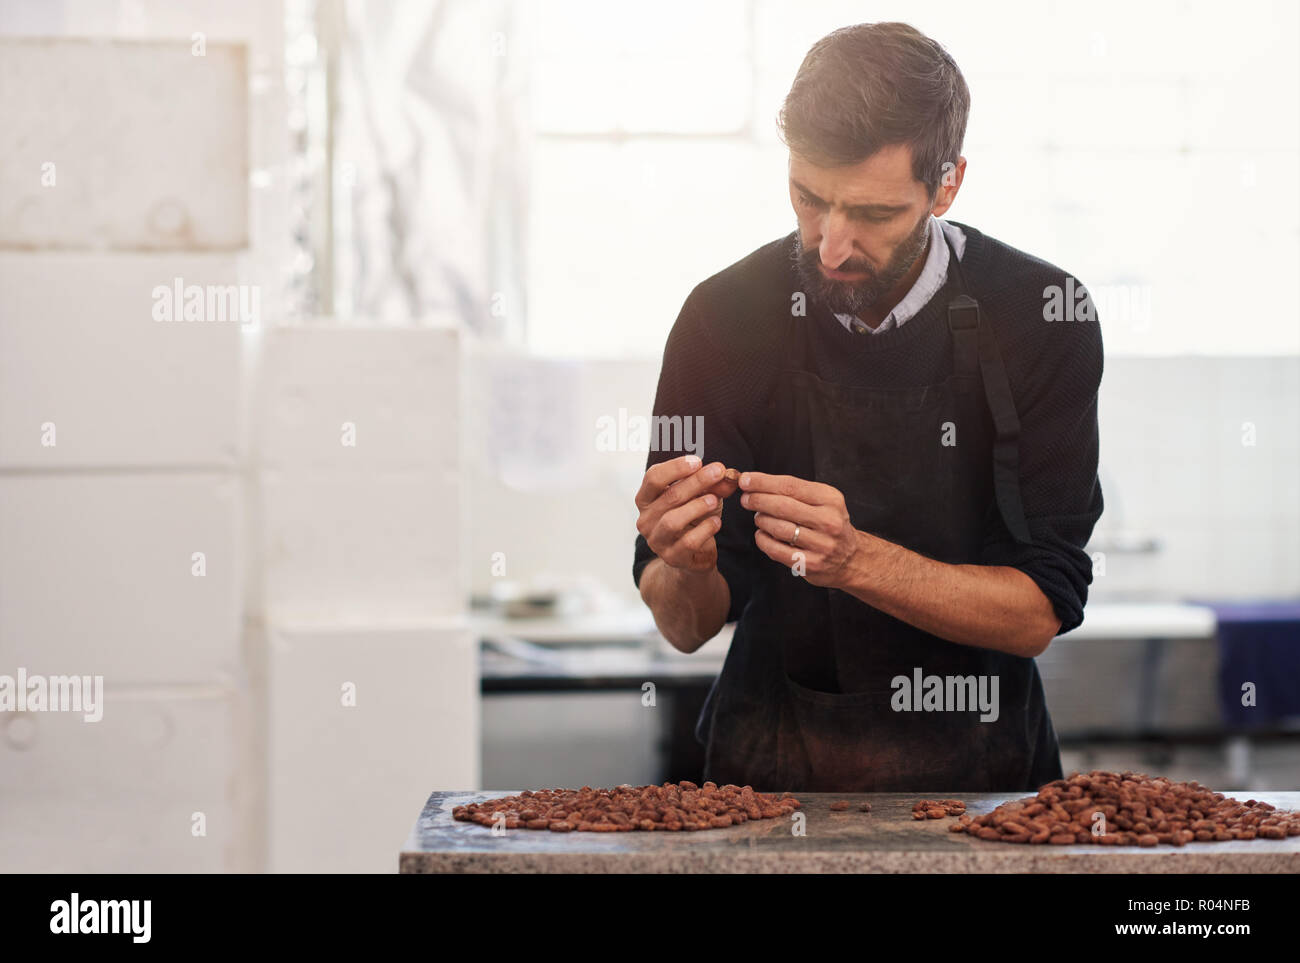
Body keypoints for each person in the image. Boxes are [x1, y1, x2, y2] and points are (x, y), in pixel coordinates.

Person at [632, 22, 1104, 792]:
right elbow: (685, 628)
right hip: (766, 782)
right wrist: (683, 565)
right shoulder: (723, 318)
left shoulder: (1042, 316)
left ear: (946, 185)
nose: (831, 246)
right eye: (809, 198)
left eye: (875, 214)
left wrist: (855, 561)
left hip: (984, 786)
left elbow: (1036, 615)